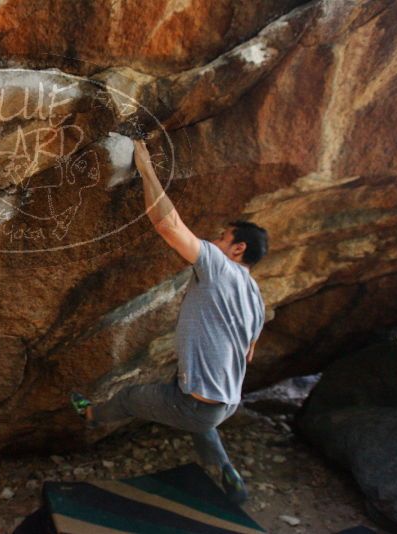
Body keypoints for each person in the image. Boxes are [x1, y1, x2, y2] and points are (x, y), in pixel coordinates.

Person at [71, 136, 268, 505]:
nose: (216, 239)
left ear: (238, 248)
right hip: (225, 406)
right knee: (196, 412)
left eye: (224, 237)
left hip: (198, 407)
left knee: (131, 397)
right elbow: (249, 352)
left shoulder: (219, 266)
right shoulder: (255, 297)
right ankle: (227, 470)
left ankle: (91, 414)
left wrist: (146, 170)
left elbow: (169, 225)